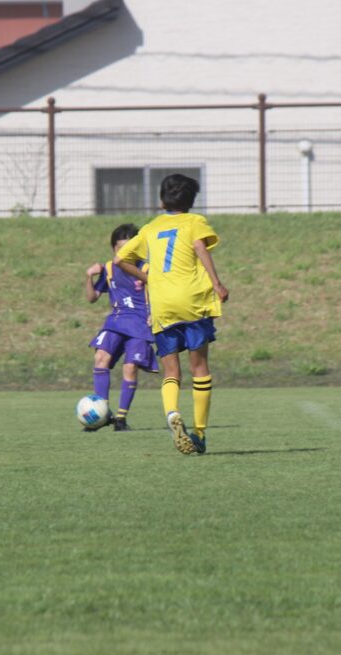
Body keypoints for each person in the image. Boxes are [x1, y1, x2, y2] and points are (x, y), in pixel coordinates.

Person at [114, 174, 229, 455]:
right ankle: (199, 433)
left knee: (171, 371)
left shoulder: (151, 228)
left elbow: (120, 259)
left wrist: (148, 278)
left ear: (161, 201)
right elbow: (200, 246)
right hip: (192, 301)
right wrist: (217, 283)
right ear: (192, 201)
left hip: (163, 304)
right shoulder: (194, 222)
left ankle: (171, 412)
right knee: (199, 368)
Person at [84, 223, 159, 432]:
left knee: (130, 367)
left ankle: (120, 418)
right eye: (119, 249)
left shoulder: (146, 269)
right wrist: (88, 276)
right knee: (100, 357)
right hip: (116, 321)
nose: (123, 253)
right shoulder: (109, 268)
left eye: (128, 248)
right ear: (113, 249)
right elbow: (92, 298)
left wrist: (154, 313)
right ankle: (101, 414)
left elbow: (160, 292)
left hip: (140, 324)